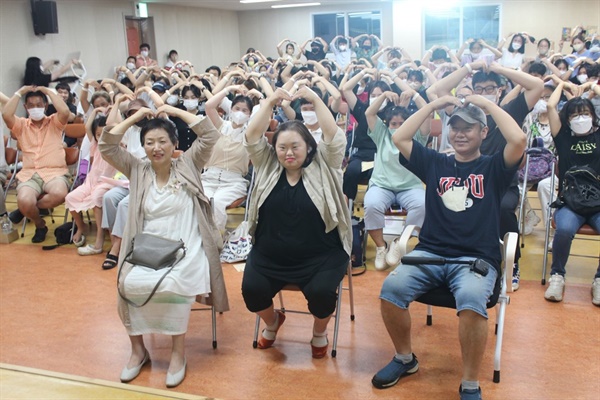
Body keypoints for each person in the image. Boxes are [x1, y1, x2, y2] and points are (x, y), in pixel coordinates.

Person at [372, 95, 526, 400]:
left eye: (469, 127)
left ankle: (470, 381)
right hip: (430, 253)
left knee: (470, 300)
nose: (460, 133)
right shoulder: (435, 162)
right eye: (455, 127)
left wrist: (488, 106)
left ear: (484, 132)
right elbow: (400, 136)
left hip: (475, 258)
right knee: (390, 291)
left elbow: (519, 138)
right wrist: (430, 106)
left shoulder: (494, 166)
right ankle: (405, 358)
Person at [99, 105, 229, 388]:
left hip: (185, 242)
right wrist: (135, 118)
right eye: (149, 142)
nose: (156, 148)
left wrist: (172, 110)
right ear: (142, 146)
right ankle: (138, 350)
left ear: (174, 144)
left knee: (174, 281)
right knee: (127, 282)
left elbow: (208, 134)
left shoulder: (189, 164)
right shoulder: (137, 168)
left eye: (162, 141)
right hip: (147, 244)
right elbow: (107, 145)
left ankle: (178, 354)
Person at [241, 86, 351, 359]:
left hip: (322, 253)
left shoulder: (325, 162)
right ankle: (273, 322)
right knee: (251, 291)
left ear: (309, 147)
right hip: (270, 252)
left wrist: (314, 99)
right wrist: (269, 102)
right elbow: (252, 136)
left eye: (295, 147)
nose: (288, 153)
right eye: (282, 147)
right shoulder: (268, 164)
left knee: (322, 294)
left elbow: (335, 138)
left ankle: (319, 332)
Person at [544, 85, 600, 305]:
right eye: (575, 115)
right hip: (570, 203)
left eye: (585, 113)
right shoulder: (563, 137)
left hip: (597, 202)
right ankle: (557, 276)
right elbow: (550, 105)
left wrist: (591, 88)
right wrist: (561, 84)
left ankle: (599, 280)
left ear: (593, 116)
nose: (580, 118)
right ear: (567, 120)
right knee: (565, 229)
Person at [364, 89, 428, 271]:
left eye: (402, 123)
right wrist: (383, 96)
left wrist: (415, 95)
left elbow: (427, 111)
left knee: (423, 205)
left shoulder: (418, 137)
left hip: (410, 187)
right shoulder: (382, 134)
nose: (397, 127)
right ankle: (381, 247)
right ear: (387, 124)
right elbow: (369, 113)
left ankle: (399, 244)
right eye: (394, 123)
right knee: (371, 205)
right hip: (382, 185)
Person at [2, 86, 71, 243]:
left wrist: (48, 91)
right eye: (31, 105)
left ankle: (24, 210)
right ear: (25, 108)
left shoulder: (55, 122)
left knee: (59, 193)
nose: (35, 108)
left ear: (45, 106)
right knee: (25, 200)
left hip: (55, 173)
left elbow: (65, 112)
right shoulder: (21, 125)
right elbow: (6, 114)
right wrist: (19, 92)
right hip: (30, 174)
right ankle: (40, 225)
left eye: (39, 104)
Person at [65, 111, 117, 255]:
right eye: (99, 135)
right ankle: (81, 227)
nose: (101, 138)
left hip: (107, 182)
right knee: (70, 197)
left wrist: (115, 107)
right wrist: (94, 111)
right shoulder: (95, 145)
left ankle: (99, 239)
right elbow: (88, 127)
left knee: (96, 199)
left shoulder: (116, 146)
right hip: (91, 181)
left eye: (105, 135)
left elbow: (114, 126)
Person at [203, 87, 254, 234]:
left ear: (250, 114)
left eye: (245, 111)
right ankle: (196, 239)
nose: (240, 113)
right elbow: (209, 106)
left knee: (217, 202)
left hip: (233, 182)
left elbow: (265, 113)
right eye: (237, 108)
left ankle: (215, 242)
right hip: (209, 177)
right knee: (201, 200)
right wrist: (229, 89)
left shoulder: (250, 133)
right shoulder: (220, 126)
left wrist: (258, 95)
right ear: (230, 110)